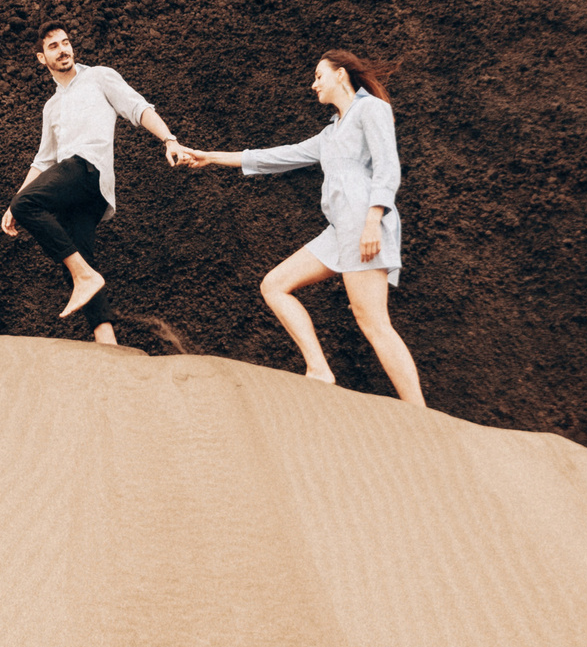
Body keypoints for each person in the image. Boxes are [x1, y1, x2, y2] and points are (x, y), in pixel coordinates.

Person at [176, 51, 426, 407]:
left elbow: (388, 167)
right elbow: (276, 156)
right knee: (275, 285)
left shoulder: (371, 110)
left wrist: (373, 220)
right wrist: (210, 156)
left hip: (364, 222)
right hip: (340, 229)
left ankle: (419, 413)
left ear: (341, 75)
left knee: (372, 322)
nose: (313, 84)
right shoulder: (329, 133)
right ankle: (319, 369)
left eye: (319, 76)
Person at [1, 27, 186, 344]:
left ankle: (84, 276)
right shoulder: (51, 107)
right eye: (53, 46)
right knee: (78, 263)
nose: (63, 50)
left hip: (88, 171)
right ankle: (108, 344)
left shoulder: (99, 77)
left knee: (27, 206)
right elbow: (43, 160)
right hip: (75, 192)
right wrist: (13, 202)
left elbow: (137, 107)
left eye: (66, 43)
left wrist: (169, 139)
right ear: (41, 58)